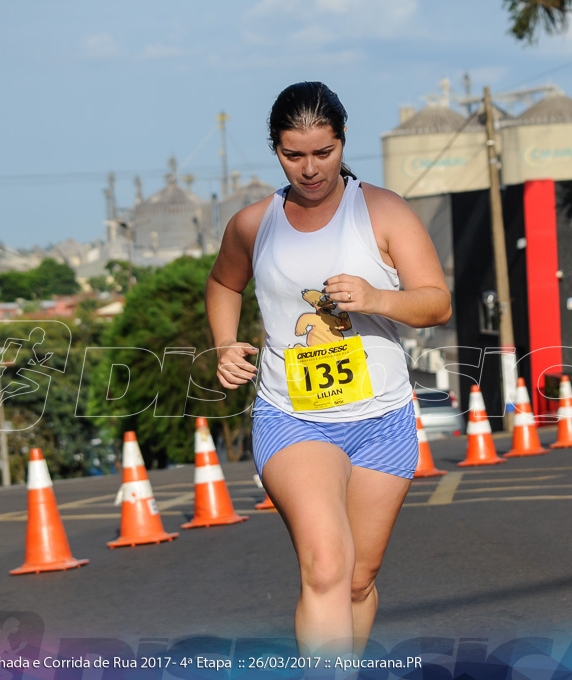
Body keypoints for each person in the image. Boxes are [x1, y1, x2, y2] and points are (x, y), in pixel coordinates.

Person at [205, 82, 451, 658]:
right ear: (276, 150)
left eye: (323, 152)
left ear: (342, 143)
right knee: (325, 567)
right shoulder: (252, 224)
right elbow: (222, 283)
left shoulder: (383, 211)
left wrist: (377, 297)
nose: (310, 169)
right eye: (294, 155)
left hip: (382, 419)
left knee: (358, 580)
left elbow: (436, 303)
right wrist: (224, 344)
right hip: (294, 417)